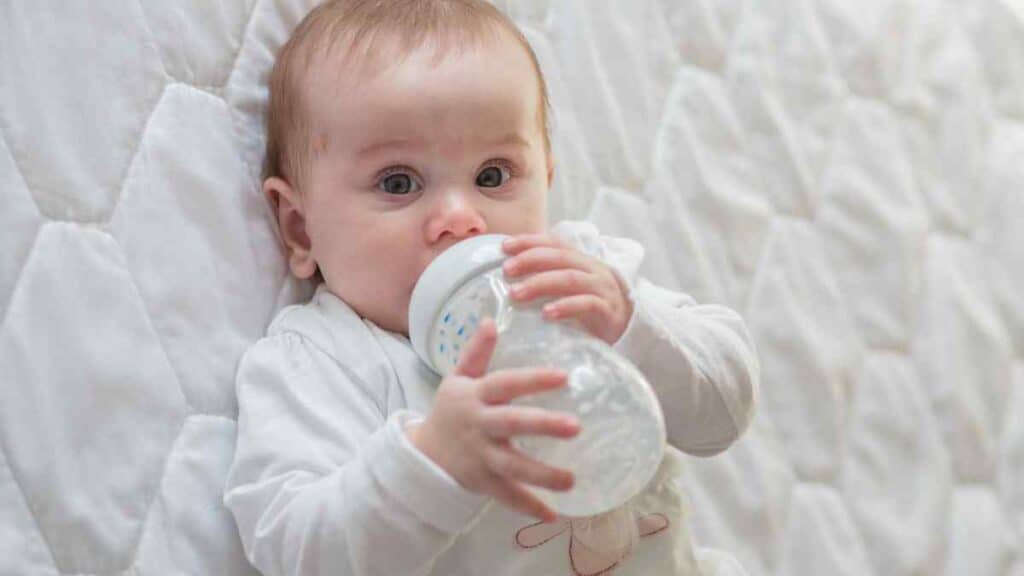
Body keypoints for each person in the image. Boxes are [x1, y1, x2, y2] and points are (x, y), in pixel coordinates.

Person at [224, 1, 760, 574]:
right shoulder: (322, 362)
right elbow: (297, 550)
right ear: (300, 228)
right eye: (399, 182)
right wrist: (431, 466)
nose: (460, 217)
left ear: (546, 179)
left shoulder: (582, 282)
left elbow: (726, 412)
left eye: (493, 176)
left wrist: (631, 326)